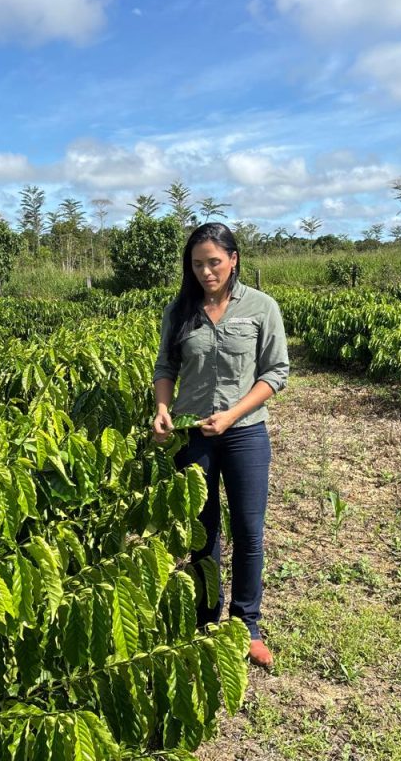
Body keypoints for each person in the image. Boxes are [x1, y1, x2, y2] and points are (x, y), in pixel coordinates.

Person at [152, 222, 289, 669]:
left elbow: (276, 372)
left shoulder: (261, 307)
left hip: (245, 431)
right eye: (197, 264)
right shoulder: (179, 311)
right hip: (193, 434)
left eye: (214, 262)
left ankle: (247, 625)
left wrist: (232, 414)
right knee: (203, 532)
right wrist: (163, 409)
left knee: (248, 531)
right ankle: (207, 620)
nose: (206, 272)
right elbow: (166, 367)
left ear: (233, 259)